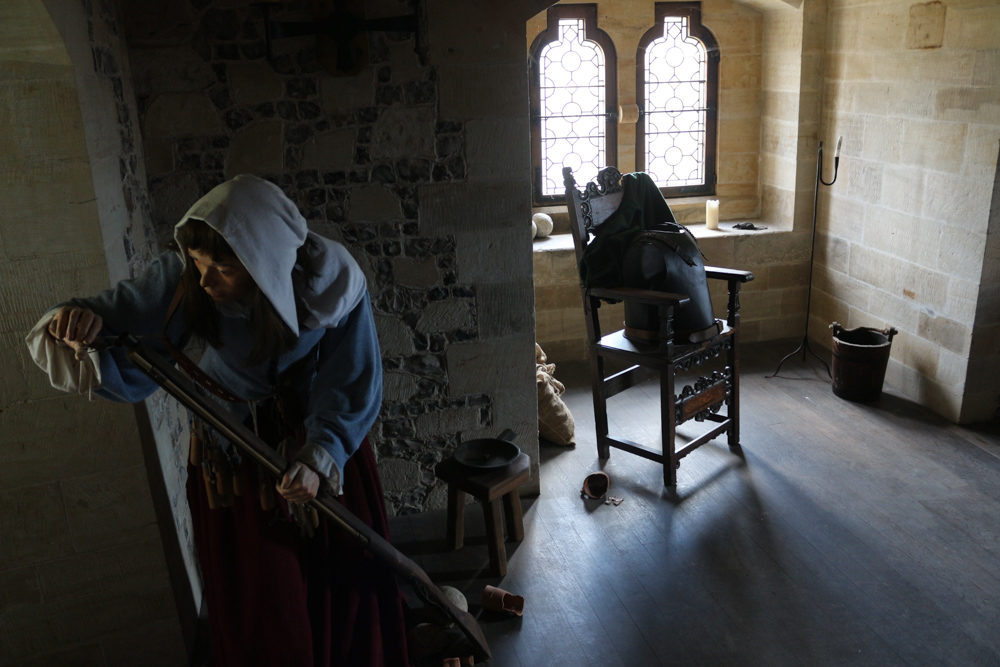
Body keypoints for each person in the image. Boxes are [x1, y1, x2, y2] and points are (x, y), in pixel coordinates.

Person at [30, 175, 409, 666]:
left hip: (316, 445)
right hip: (234, 454)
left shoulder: (332, 283)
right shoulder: (186, 274)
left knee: (342, 581)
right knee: (267, 597)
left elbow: (351, 378)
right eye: (200, 263)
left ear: (266, 262)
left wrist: (320, 457)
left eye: (224, 268)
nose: (205, 280)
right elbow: (110, 314)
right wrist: (74, 322)